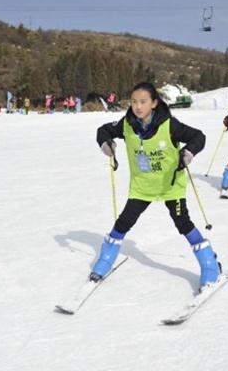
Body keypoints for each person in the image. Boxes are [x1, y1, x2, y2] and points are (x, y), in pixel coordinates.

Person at [93, 81, 221, 290]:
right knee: (124, 221)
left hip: (170, 186)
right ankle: (106, 258)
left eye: (143, 101)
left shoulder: (169, 125)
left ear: (154, 103)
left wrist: (188, 153)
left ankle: (210, 264)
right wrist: (107, 144)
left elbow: (198, 137)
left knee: (183, 223)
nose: (138, 106)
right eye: (134, 102)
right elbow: (103, 131)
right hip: (142, 186)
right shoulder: (127, 124)